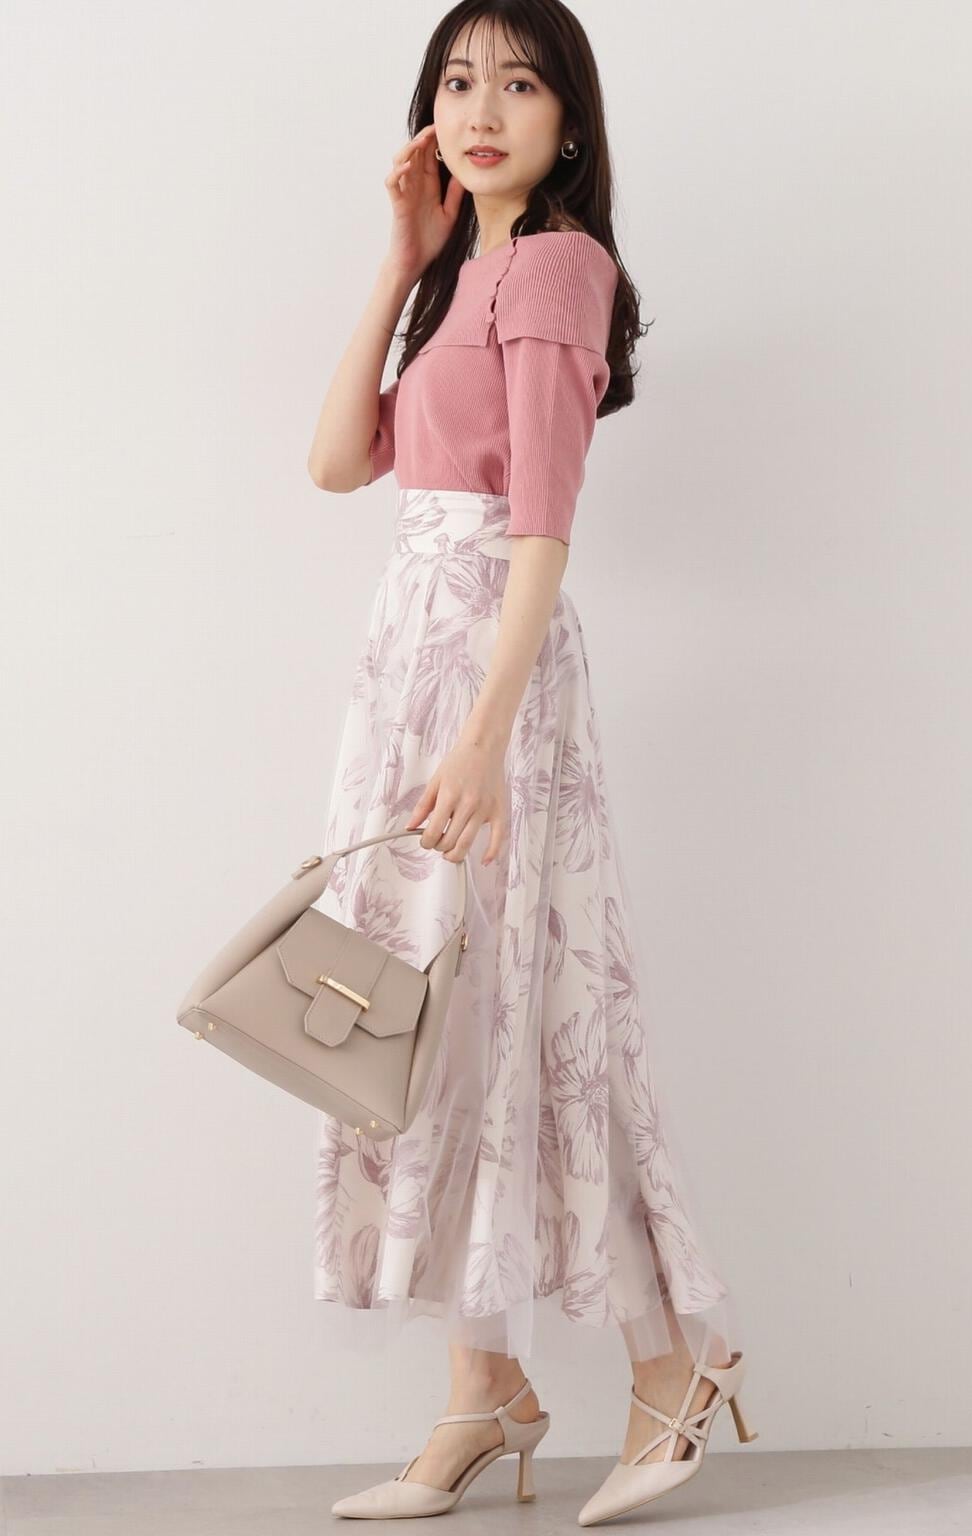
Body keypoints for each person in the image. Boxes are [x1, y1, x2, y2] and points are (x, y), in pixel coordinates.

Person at [306, 2, 753, 1522]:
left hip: (491, 676)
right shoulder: (458, 274)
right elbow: (335, 462)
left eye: (519, 82)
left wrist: (487, 737)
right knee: (435, 1020)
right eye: (457, 81)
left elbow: (545, 526)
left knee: (540, 1010)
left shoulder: (560, 267)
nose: (483, 109)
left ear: (570, 120)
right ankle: (481, 1392)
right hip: (408, 668)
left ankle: (674, 1363)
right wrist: (401, 258)